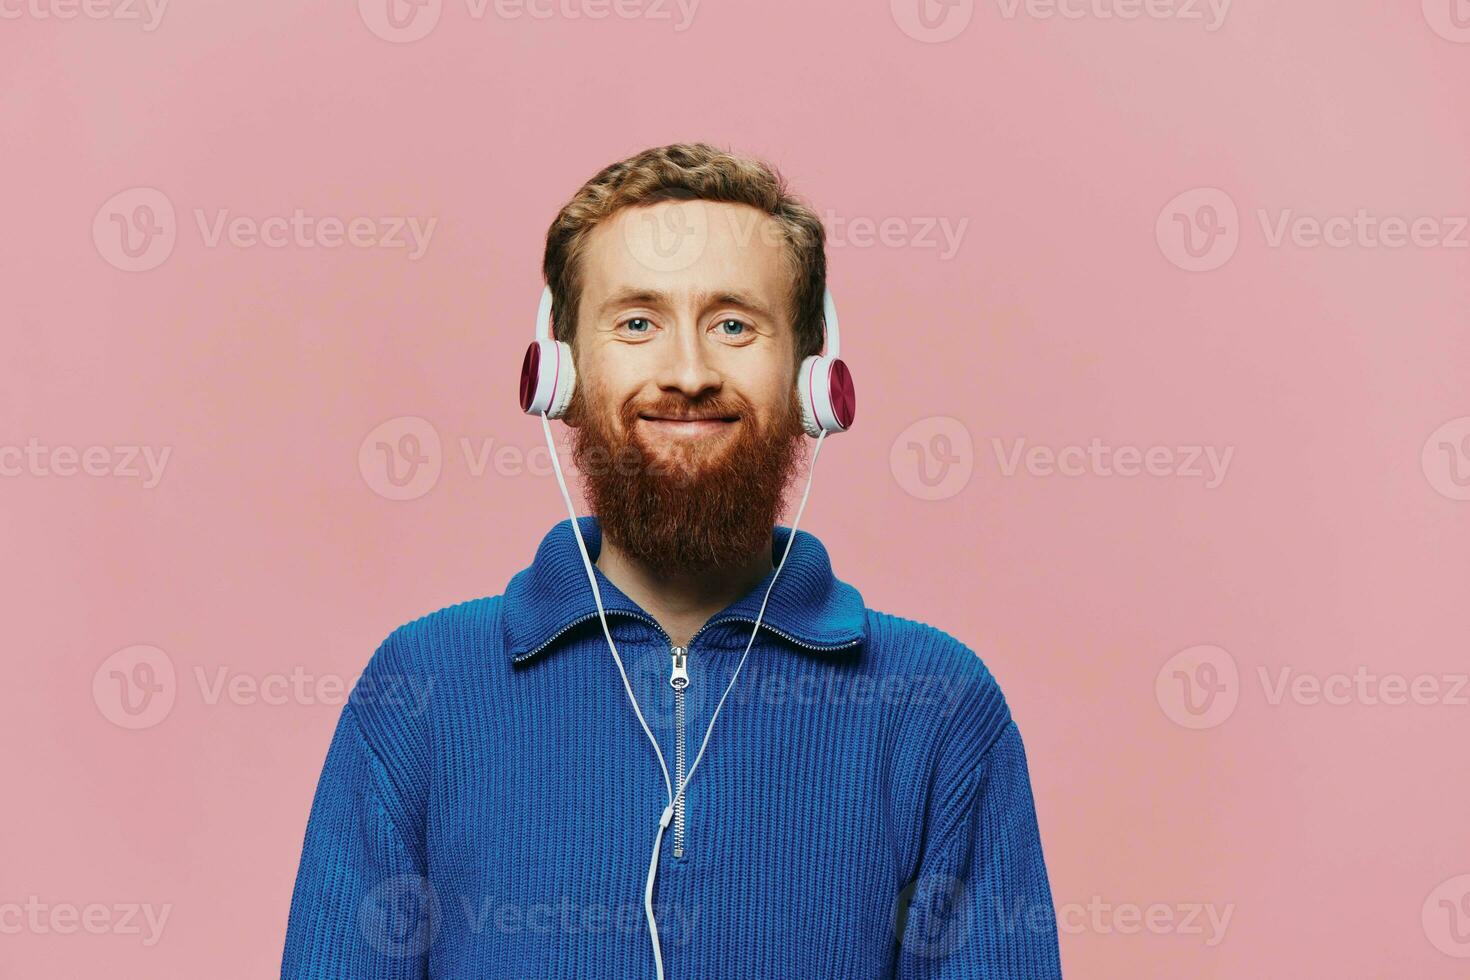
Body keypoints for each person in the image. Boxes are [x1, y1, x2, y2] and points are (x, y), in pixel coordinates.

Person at [280, 142, 1063, 979]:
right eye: (637, 323)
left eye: (733, 324)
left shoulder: (939, 709)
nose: (688, 373)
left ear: (811, 379)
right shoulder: (418, 692)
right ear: (561, 375)